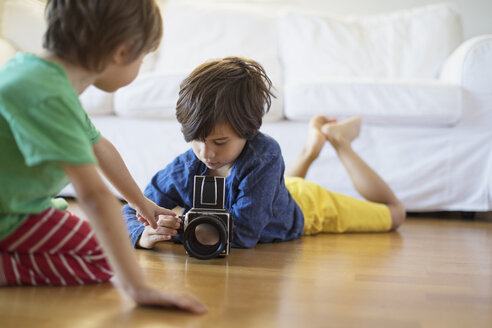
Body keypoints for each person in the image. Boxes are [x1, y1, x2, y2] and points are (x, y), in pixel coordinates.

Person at [0, 0, 206, 314]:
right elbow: (94, 195)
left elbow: (99, 146)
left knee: (84, 236)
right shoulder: (47, 94)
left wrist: (141, 203)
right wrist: (139, 287)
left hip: (21, 204)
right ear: (122, 52)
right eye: (144, 56)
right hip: (9, 215)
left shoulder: (38, 73)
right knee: (100, 258)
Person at [123, 57, 406, 250]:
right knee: (277, 187)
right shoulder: (186, 167)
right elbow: (133, 209)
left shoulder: (265, 155)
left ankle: (338, 140)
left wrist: (180, 226)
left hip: (308, 208)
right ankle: (310, 148)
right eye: (196, 140)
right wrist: (142, 235)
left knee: (395, 215)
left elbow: (245, 233)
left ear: (249, 130)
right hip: (271, 193)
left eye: (220, 142)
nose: (206, 153)